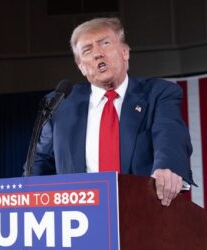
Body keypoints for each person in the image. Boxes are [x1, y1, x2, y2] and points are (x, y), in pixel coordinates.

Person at [30, 17, 192, 207]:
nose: (98, 53)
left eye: (105, 43)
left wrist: (167, 168)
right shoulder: (61, 103)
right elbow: (40, 161)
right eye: (87, 50)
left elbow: (170, 134)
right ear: (82, 67)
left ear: (125, 52)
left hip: (142, 212)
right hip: (79, 217)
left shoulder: (158, 94)